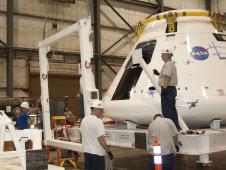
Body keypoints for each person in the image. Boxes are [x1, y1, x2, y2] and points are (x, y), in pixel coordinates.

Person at [80, 100, 113, 170]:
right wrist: (108, 151)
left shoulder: (84, 120)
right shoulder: (98, 121)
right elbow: (101, 139)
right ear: (97, 110)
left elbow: (83, 134)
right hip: (97, 154)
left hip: (87, 152)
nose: (102, 113)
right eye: (101, 111)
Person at [153, 48, 181, 130]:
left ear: (167, 55)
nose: (161, 56)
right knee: (172, 109)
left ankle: (170, 128)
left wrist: (164, 89)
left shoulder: (168, 64)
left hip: (168, 89)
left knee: (167, 110)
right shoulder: (170, 64)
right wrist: (158, 74)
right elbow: (167, 76)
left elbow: (167, 76)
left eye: (163, 54)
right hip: (171, 89)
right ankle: (175, 127)